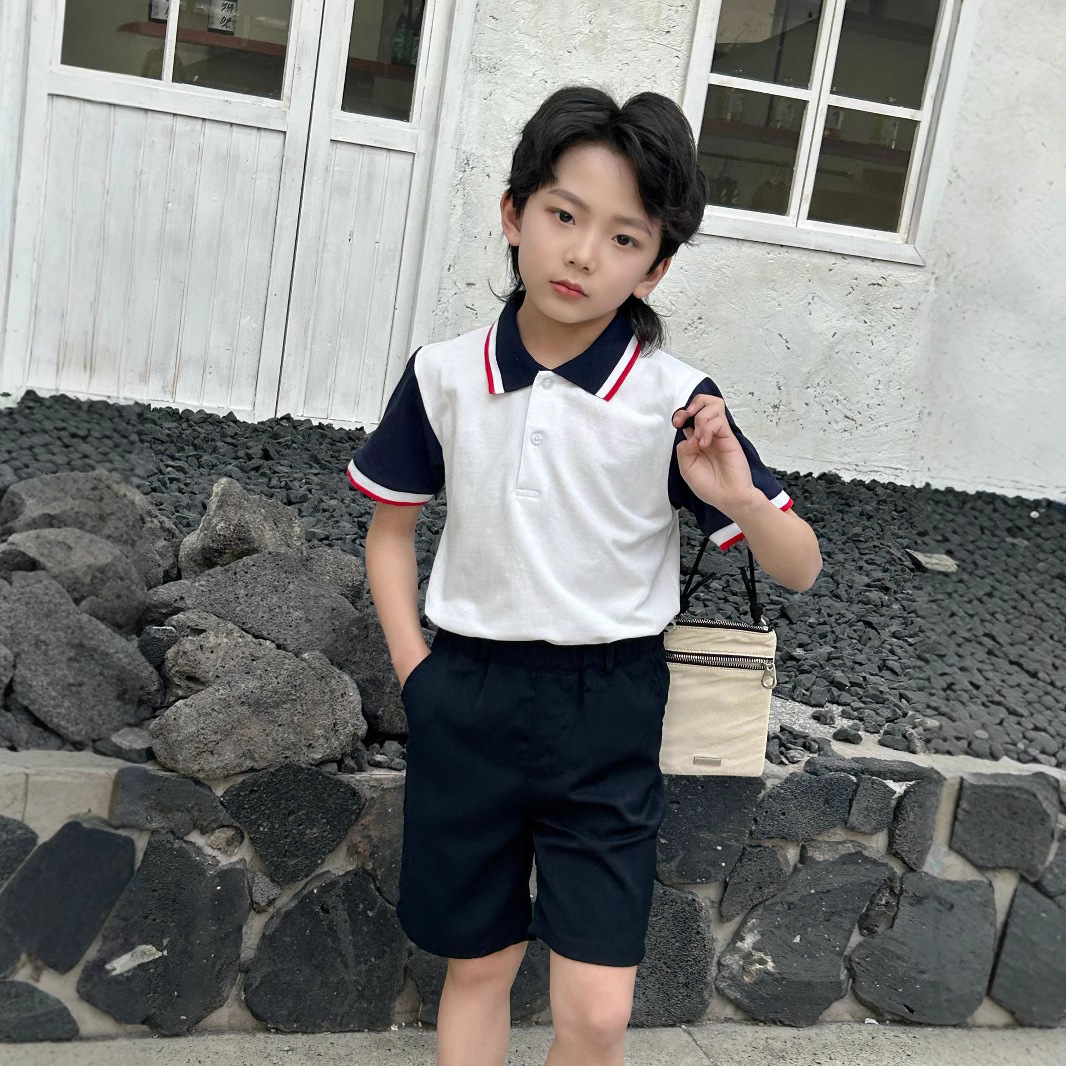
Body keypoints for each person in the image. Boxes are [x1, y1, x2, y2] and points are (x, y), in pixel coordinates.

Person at [348, 86, 822, 1066]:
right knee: (476, 967)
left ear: (656, 264)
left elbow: (800, 566)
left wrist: (738, 496)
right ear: (514, 213)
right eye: (564, 216)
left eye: (623, 237)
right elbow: (391, 530)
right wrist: (416, 673)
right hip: (467, 693)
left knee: (598, 1011)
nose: (582, 254)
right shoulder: (444, 374)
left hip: (607, 708)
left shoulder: (673, 400)